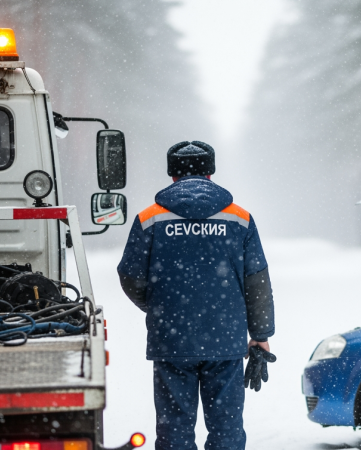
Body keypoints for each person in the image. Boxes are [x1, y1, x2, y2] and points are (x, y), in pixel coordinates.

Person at [117, 141, 275, 450]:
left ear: (171, 174)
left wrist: (160, 306)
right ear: (211, 172)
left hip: (172, 340)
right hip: (225, 340)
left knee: (174, 430)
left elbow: (130, 276)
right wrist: (260, 334)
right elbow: (256, 280)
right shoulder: (239, 218)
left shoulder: (149, 218)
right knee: (226, 429)